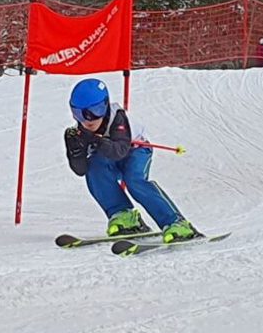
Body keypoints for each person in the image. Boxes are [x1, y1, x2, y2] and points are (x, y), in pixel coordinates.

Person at [64, 78, 198, 243]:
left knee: (134, 180)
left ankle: (176, 222)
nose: (88, 120)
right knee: (95, 170)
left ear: (105, 106)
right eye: (79, 114)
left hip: (136, 150)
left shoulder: (118, 118)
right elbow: (81, 170)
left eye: (95, 111)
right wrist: (75, 152)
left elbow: (119, 151)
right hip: (108, 156)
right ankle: (124, 215)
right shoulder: (79, 132)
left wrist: (96, 140)